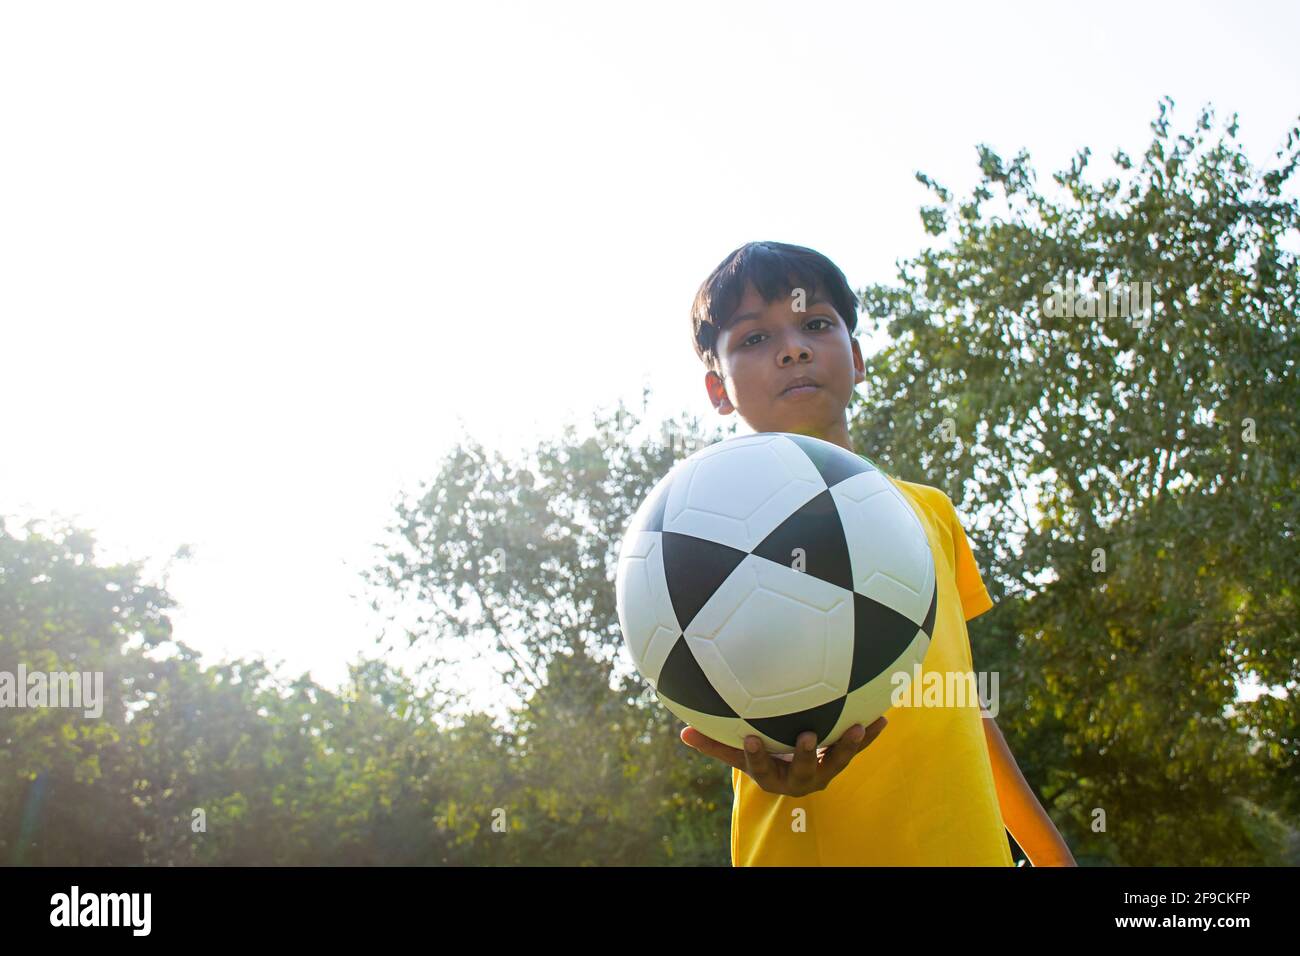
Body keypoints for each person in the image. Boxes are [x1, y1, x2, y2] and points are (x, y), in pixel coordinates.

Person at [681, 240, 1077, 866]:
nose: (793, 348)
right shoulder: (704, 538)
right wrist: (774, 761)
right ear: (717, 389)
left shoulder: (930, 514)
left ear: (857, 358)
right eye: (754, 339)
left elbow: (961, 706)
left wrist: (1053, 857)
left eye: (816, 325)